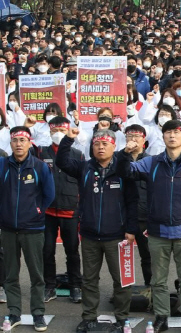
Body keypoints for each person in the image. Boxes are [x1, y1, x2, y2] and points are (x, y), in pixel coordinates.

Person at [117, 120, 181, 333]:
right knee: (158, 280)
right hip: (157, 231)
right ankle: (161, 317)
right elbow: (126, 172)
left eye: (176, 132)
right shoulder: (152, 163)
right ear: (163, 136)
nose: (172, 136)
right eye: (168, 132)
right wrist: (124, 153)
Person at [56, 128, 138, 333]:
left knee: (121, 280)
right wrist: (68, 139)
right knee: (90, 280)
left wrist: (131, 229)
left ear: (114, 146)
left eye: (105, 144)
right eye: (96, 144)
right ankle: (88, 317)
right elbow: (61, 162)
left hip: (117, 236)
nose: (100, 147)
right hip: (90, 234)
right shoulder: (84, 167)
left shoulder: (123, 169)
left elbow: (133, 201)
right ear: (92, 147)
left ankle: (122, 319)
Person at [0, 127, 55, 332]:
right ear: (11, 143)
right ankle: (14, 312)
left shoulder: (40, 167)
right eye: (15, 140)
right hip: (7, 229)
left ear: (29, 142)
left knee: (36, 275)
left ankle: (38, 314)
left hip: (33, 228)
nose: (19, 144)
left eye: (23, 140)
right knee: (11, 275)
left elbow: (49, 195)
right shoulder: (3, 165)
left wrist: (37, 211)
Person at [38, 117, 83, 304]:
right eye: (55, 130)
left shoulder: (77, 154)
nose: (58, 134)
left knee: (72, 250)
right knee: (46, 250)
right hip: (47, 212)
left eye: (62, 131)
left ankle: (75, 286)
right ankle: (49, 286)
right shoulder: (40, 153)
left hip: (70, 210)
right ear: (49, 131)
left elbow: (83, 182)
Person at [122, 125, 152, 288]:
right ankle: (120, 291)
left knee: (147, 256)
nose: (133, 140)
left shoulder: (151, 161)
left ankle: (150, 289)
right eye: (129, 136)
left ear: (144, 140)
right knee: (119, 256)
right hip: (121, 216)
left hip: (144, 217)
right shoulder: (118, 159)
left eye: (136, 136)